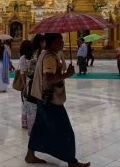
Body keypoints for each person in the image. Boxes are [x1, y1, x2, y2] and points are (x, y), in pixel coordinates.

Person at [25, 33, 90, 167]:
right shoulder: (49, 57)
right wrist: (67, 74)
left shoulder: (44, 53)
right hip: (51, 101)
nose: (62, 43)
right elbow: (49, 79)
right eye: (59, 41)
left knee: (39, 127)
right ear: (51, 42)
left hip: (42, 99)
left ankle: (30, 155)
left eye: (62, 40)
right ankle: (72, 162)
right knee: (66, 131)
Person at [19, 40, 33, 129]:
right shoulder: (34, 57)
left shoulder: (22, 59)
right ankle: (30, 121)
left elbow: (22, 74)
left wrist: (24, 87)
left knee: (26, 103)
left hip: (27, 83)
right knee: (31, 103)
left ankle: (26, 122)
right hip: (32, 83)